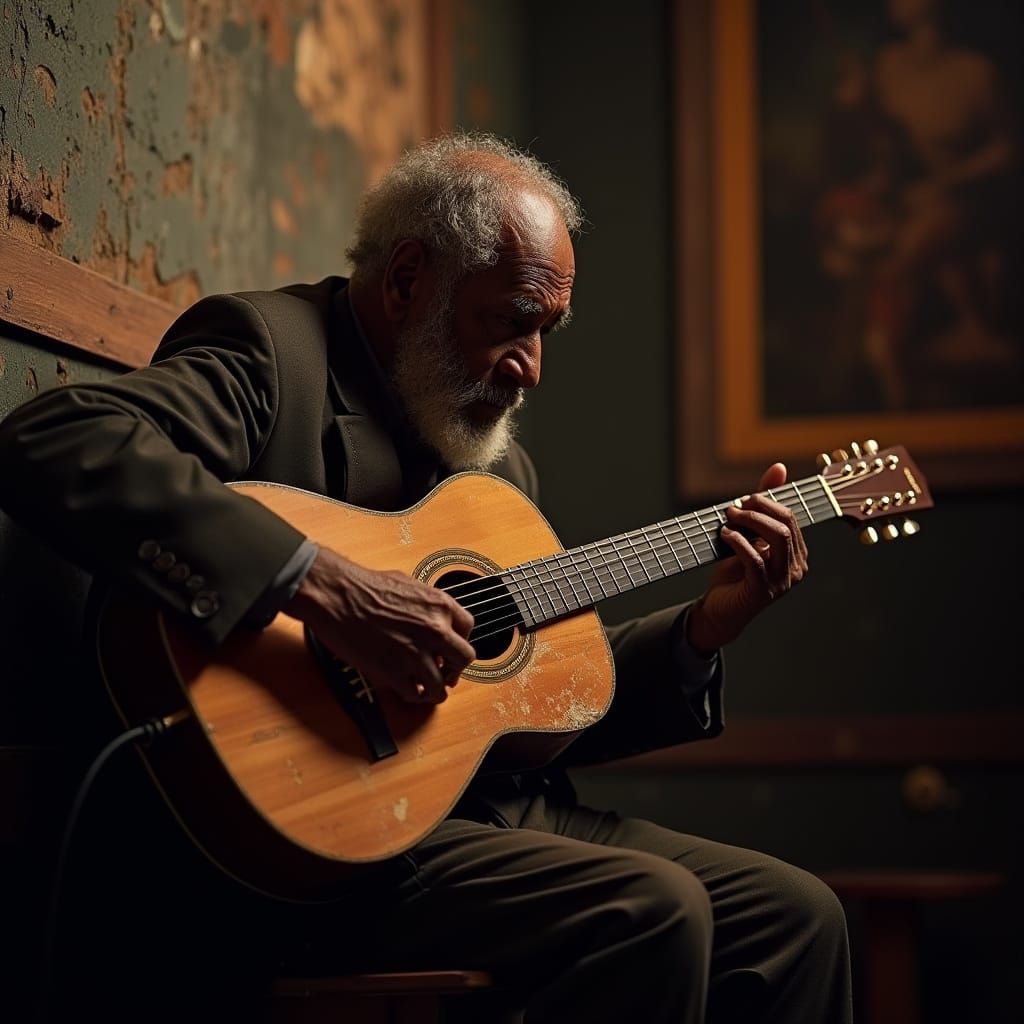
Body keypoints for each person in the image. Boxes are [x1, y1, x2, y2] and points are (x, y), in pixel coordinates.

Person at [0, 133, 851, 1022]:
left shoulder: (498, 472)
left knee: (797, 916)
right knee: (652, 912)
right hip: (313, 848)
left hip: (485, 816)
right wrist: (320, 585)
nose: (530, 367)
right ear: (408, 280)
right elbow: (59, 439)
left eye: (546, 331)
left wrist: (705, 628)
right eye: (510, 320)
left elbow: (539, 703)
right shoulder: (272, 351)